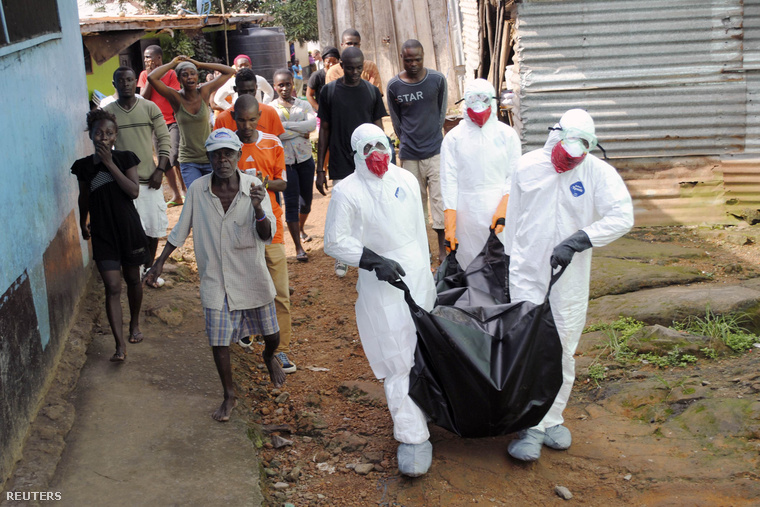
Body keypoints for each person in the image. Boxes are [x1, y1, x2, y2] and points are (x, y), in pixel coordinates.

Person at [504, 109, 634, 461]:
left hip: (570, 277)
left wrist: (580, 239)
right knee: (528, 347)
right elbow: (514, 219)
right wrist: (507, 261)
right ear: (555, 137)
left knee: (562, 346)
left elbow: (623, 216)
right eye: (564, 155)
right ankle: (529, 424)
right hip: (527, 272)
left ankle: (552, 416)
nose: (568, 163)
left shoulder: (598, 173)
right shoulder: (528, 165)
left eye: (577, 159)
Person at [144, 128, 286, 422]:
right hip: (216, 277)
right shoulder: (197, 189)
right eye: (217, 154)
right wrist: (159, 262)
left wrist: (259, 206)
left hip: (250, 273)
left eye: (228, 154)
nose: (223, 160)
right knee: (219, 341)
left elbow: (267, 234)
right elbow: (182, 227)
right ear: (209, 158)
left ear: (237, 155)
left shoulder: (254, 187)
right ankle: (229, 395)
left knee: (272, 335)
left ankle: (268, 355)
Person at [324, 123, 437, 477]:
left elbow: (419, 228)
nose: (376, 151)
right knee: (397, 355)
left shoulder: (405, 179)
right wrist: (373, 260)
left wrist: (427, 269)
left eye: (381, 143)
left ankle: (434, 410)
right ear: (355, 152)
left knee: (425, 347)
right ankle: (412, 436)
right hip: (380, 282)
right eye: (367, 146)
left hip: (417, 274)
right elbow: (334, 241)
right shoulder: (347, 192)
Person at [71, 109, 150, 362]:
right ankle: (119, 345)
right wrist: (83, 222)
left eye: (108, 133)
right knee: (112, 287)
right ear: (91, 136)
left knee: (132, 280)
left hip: (128, 229)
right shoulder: (83, 167)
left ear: (115, 136)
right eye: (98, 133)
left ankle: (134, 323)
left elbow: (133, 192)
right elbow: (84, 197)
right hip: (103, 232)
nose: (103, 137)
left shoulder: (126, 159)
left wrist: (108, 163)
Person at [231, 95, 297, 374]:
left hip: (271, 227)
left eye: (252, 119)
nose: (247, 125)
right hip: (238, 228)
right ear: (234, 118)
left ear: (259, 116)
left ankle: (280, 350)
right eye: (242, 120)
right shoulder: (227, 146)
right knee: (245, 286)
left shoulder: (272, 143)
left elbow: (282, 182)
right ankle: (249, 332)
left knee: (280, 291)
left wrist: (261, 181)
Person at [316, 47, 387, 277]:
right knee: (342, 210)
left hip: (368, 162)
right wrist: (320, 168)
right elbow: (324, 130)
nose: (355, 72)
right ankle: (342, 257)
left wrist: (386, 160)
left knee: (371, 206)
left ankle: (371, 252)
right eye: (349, 67)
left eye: (359, 67)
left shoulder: (371, 92)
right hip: (340, 160)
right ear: (341, 67)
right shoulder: (329, 91)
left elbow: (379, 130)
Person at [439, 78, 521, 270]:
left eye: (484, 99)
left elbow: (514, 175)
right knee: (471, 266)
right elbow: (448, 181)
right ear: (464, 102)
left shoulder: (507, 135)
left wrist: (505, 206)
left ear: (493, 100)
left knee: (502, 265)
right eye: (473, 100)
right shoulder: (453, 139)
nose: (479, 106)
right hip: (466, 212)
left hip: (500, 213)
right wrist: (450, 222)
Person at [104, 66, 172, 291]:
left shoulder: (149, 107)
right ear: (114, 84)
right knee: (130, 232)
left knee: (153, 231)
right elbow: (104, 144)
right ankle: (135, 273)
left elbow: (164, 139)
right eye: (121, 80)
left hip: (149, 181)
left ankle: (148, 271)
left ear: (137, 83)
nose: (126, 84)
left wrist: (160, 170)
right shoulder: (109, 112)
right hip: (123, 185)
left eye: (130, 80)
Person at [387, 39, 448, 264]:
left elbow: (441, 114)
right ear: (401, 58)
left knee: (439, 201)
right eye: (408, 59)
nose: (413, 63)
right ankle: (423, 250)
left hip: (435, 152)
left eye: (418, 59)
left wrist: (432, 136)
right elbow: (396, 121)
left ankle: (442, 251)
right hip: (410, 155)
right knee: (415, 203)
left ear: (424, 57)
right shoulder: (394, 86)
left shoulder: (437, 80)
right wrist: (407, 141)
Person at [147, 55, 235, 189]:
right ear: (179, 79)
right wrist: (172, 63)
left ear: (197, 76)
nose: (190, 77)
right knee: (197, 198)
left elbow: (229, 71)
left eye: (193, 74)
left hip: (210, 157)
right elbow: (152, 78)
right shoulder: (176, 97)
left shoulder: (204, 92)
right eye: (185, 75)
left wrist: (199, 63)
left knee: (216, 198)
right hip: (189, 160)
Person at [271, 68, 317, 262]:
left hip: (305, 159)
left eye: (287, 84)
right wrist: (300, 130)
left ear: (293, 84)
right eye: (280, 85)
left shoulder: (303, 105)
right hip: (285, 163)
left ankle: (299, 228)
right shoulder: (270, 109)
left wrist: (286, 127)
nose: (284, 88)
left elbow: (312, 126)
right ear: (274, 87)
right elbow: (276, 134)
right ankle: (298, 247)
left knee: (306, 202)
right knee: (290, 203)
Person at [138, 44, 186, 206]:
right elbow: (143, 97)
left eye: (149, 57)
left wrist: (156, 77)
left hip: (173, 121)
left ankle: (185, 191)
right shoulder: (144, 75)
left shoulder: (171, 74)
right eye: (145, 57)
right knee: (163, 158)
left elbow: (171, 94)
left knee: (173, 156)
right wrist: (151, 77)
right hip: (155, 123)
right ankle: (176, 195)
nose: (146, 60)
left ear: (159, 58)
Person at [214, 68, 285, 137]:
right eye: (243, 91)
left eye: (251, 91)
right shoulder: (223, 119)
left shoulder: (270, 113)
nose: (248, 95)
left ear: (256, 88)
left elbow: (277, 143)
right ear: (236, 89)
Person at [306, 46, 339, 112]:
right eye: (328, 62)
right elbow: (309, 95)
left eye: (334, 61)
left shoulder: (341, 75)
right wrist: (320, 109)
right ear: (324, 62)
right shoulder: (317, 76)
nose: (331, 64)